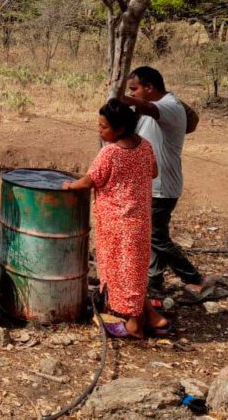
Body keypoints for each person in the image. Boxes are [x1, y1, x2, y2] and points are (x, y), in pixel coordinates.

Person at [63, 99, 170, 339]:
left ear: (120, 128)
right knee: (133, 271)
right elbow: (153, 172)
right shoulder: (144, 146)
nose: (99, 130)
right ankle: (152, 317)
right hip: (140, 221)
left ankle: (135, 325)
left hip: (116, 224)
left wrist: (70, 186)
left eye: (103, 127)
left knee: (119, 272)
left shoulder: (110, 153)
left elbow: (90, 181)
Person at [121, 66, 213, 302]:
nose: (133, 94)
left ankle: (195, 279)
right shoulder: (149, 112)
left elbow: (148, 107)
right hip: (154, 184)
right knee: (155, 235)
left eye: (135, 89)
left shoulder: (170, 106)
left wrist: (120, 96)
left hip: (162, 186)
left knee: (156, 236)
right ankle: (154, 281)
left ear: (149, 88)